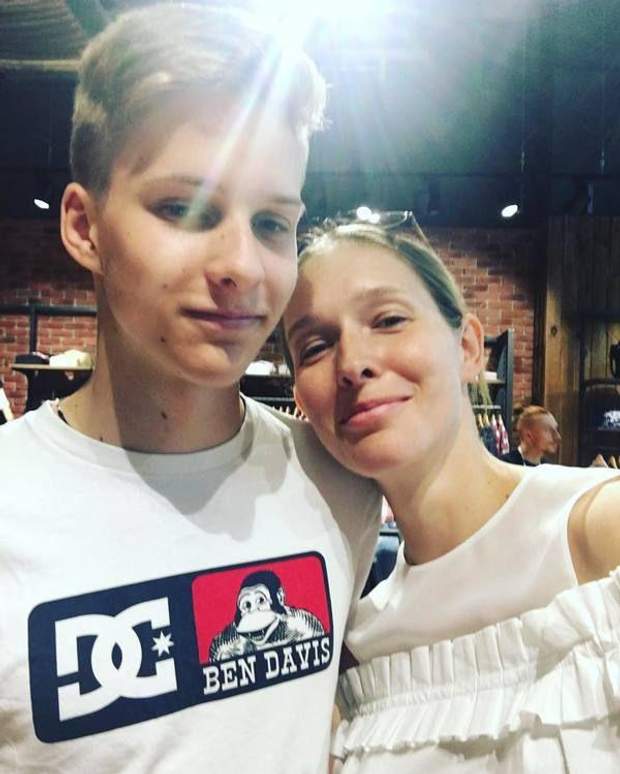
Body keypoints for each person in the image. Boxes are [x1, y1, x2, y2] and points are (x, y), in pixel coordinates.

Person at [0, 7, 381, 772]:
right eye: (183, 208)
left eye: (272, 223)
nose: (240, 264)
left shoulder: (339, 483)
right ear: (84, 227)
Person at [282, 219, 620, 772]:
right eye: (315, 347)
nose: (352, 364)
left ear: (467, 347)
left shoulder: (600, 532)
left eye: (388, 320)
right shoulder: (360, 646)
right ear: (300, 397)